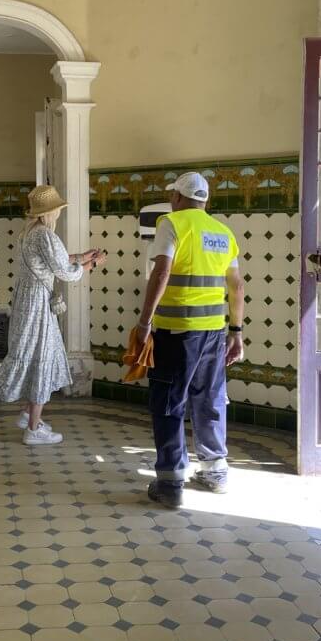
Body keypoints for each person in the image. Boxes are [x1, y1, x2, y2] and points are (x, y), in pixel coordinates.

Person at [135, 172, 245, 507]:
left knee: (169, 402)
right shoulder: (223, 232)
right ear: (205, 200)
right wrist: (236, 332)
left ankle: (170, 484)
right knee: (210, 399)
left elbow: (162, 272)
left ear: (177, 197)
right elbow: (237, 286)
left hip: (177, 331)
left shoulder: (172, 223)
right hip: (214, 331)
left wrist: (144, 322)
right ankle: (215, 472)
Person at [0, 185, 106, 445]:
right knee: (42, 356)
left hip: (25, 301)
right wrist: (92, 264)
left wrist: (80, 256)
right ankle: (33, 429)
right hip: (38, 306)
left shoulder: (27, 232)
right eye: (58, 210)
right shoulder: (45, 234)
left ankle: (27, 414)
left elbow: (53, 261)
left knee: (33, 354)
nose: (59, 213)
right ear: (51, 212)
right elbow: (64, 272)